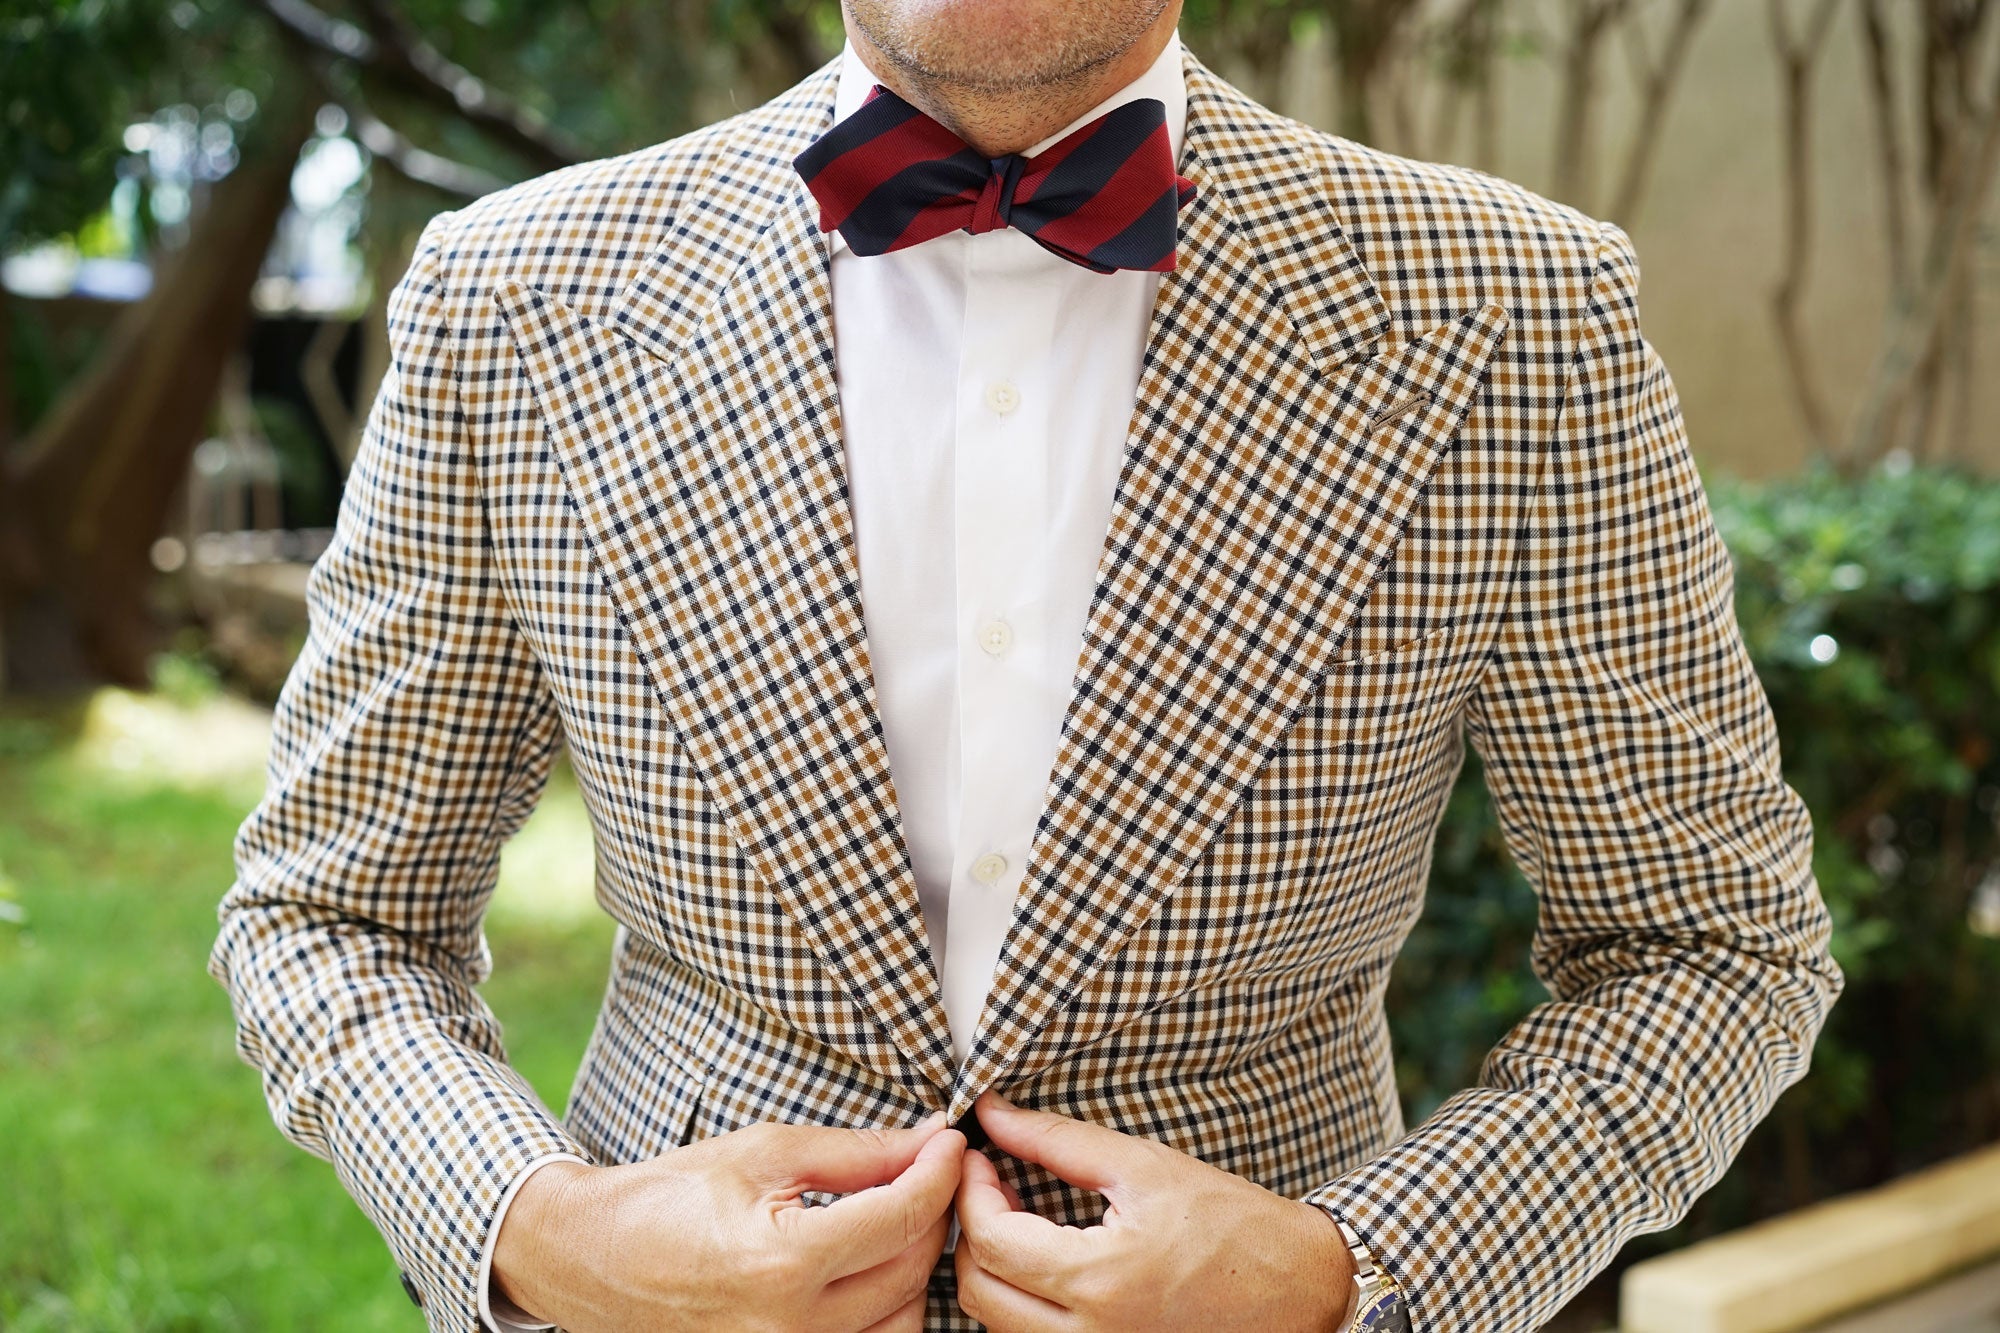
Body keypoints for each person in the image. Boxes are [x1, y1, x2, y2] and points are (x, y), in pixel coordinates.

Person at [208, 0, 1845, 1329]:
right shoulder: (519, 297)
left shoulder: (1517, 313)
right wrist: (537, 1229)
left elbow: (1711, 948)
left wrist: (1362, 1270)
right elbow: (332, 914)